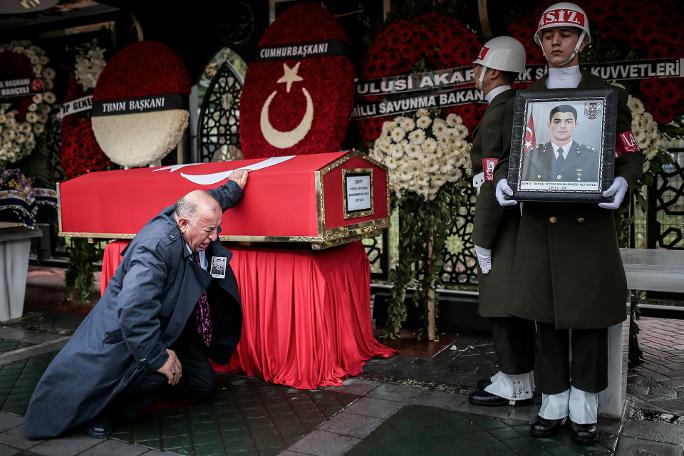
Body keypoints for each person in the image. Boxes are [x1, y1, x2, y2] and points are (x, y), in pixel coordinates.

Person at [494, 2, 643, 445]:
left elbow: (630, 154)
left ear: (583, 41)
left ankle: (585, 402)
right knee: (548, 314)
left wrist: (622, 181)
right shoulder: (524, 99)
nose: (556, 42)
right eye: (548, 36)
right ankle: (554, 398)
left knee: (591, 315)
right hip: (541, 225)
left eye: (565, 34)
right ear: (539, 43)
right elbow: (508, 158)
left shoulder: (608, 96)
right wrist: (503, 181)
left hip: (588, 227)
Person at [23, 170, 249, 440]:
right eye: (209, 230)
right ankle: (108, 409)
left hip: (171, 326)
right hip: (130, 334)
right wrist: (159, 358)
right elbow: (134, 312)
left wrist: (234, 188)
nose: (214, 237)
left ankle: (154, 379)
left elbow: (214, 200)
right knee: (154, 372)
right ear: (184, 223)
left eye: (217, 228)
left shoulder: (195, 214)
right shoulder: (153, 248)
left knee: (203, 385)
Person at [468, 36, 536, 408]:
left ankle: (515, 383)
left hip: (500, 222)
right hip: (517, 219)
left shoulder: (498, 112)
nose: (475, 75)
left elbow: (492, 181)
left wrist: (482, 236)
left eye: (479, 68)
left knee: (500, 302)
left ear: (493, 71)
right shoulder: (515, 105)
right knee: (512, 301)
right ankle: (518, 373)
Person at [522, 104, 599, 182]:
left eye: (568, 121)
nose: (562, 126)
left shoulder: (590, 156)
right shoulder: (532, 155)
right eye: (557, 122)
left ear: (576, 125)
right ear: (549, 125)